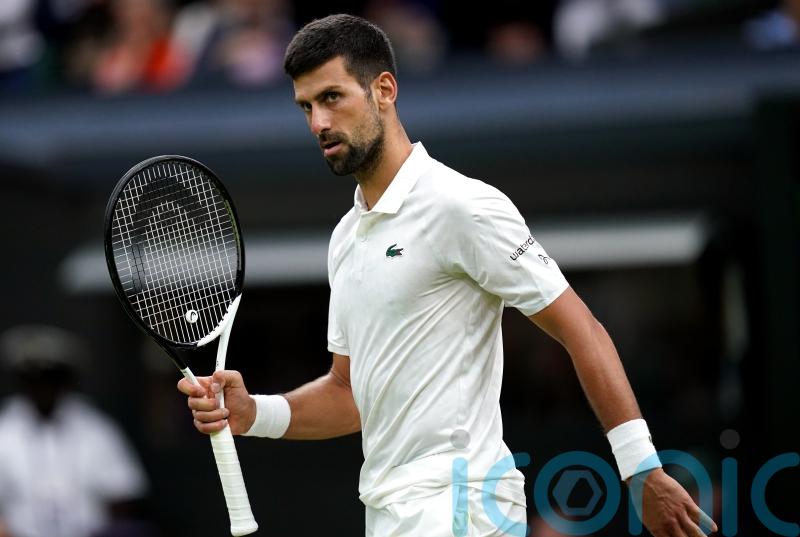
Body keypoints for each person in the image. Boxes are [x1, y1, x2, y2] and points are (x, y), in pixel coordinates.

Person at [179, 14, 719, 536]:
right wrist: (254, 413)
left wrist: (641, 468)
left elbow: (583, 330)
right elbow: (349, 393)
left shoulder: (462, 206)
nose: (318, 123)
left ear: (384, 90)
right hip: (390, 509)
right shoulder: (346, 237)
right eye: (306, 106)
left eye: (332, 97)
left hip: (462, 503)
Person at [0, 324, 152, 537]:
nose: (43, 388)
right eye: (34, 379)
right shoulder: (4, 430)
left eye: (52, 378)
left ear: (66, 381)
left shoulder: (96, 429)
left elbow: (124, 495)